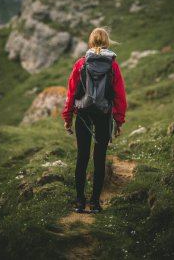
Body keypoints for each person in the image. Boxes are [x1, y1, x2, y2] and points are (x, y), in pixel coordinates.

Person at [62, 27, 127, 213]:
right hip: (104, 115)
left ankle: (80, 202)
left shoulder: (80, 64)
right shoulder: (113, 66)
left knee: (82, 158)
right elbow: (120, 96)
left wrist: (67, 117)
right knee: (99, 159)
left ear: (91, 42)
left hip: (83, 114)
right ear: (107, 42)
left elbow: (71, 93)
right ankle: (95, 203)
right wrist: (118, 121)